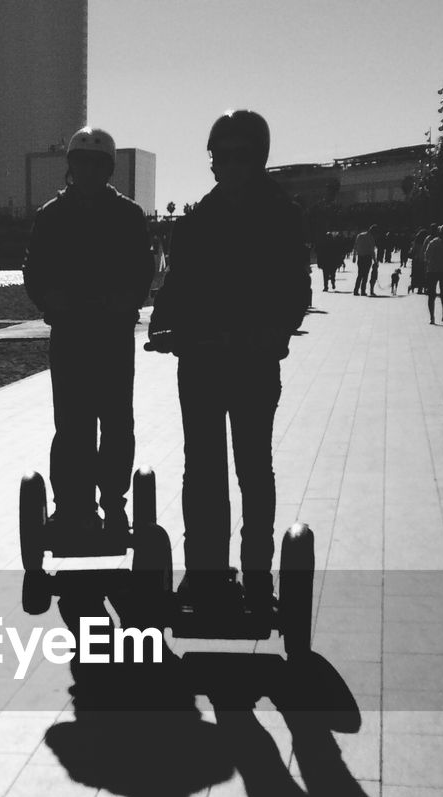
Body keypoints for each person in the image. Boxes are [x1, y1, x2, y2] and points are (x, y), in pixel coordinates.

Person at [146, 108, 311, 611]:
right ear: (213, 162)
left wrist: (272, 332)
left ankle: (258, 574)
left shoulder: (280, 218)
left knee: (253, 468)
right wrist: (161, 326)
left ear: (258, 159)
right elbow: (174, 288)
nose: (230, 165)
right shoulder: (197, 220)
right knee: (202, 470)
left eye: (241, 156)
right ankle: (205, 574)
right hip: (199, 362)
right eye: (222, 157)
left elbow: (295, 293)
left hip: (253, 363)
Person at [23, 126, 155, 538]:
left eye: (97, 164)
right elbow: (34, 270)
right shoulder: (51, 216)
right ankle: (70, 507)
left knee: (116, 423)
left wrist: (127, 298)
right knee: (72, 426)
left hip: (113, 335)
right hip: (70, 335)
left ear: (108, 169)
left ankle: (113, 503)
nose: (88, 171)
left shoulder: (129, 216)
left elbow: (143, 269)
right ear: (71, 167)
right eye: (82, 163)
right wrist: (49, 300)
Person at [353, 224, 378, 296]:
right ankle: (363, 291)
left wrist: (354, 257)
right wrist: (375, 260)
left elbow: (355, 247)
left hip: (360, 257)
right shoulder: (371, 238)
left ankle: (356, 290)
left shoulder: (360, 235)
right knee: (365, 275)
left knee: (360, 274)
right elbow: (372, 251)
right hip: (367, 258)